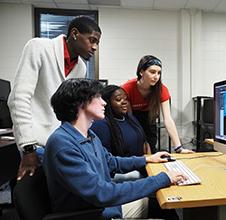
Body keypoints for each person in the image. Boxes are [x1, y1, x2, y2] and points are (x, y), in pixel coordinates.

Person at [43, 78, 186, 219]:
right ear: (81, 103)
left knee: (165, 206)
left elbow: (111, 162)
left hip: (105, 208)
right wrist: (162, 179)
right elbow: (102, 193)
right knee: (165, 208)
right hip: (93, 214)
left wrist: (148, 158)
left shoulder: (88, 135)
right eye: (98, 97)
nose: (104, 102)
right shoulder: (63, 145)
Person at [8, 16, 101, 180]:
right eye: (91, 40)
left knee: (61, 194)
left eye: (97, 43)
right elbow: (18, 98)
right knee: (40, 193)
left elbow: (69, 109)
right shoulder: (39, 47)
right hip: (34, 141)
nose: (94, 47)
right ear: (74, 34)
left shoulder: (80, 67)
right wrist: (28, 148)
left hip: (58, 142)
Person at [122, 55, 194, 154]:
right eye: (152, 72)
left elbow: (168, 119)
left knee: (151, 149)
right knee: (137, 149)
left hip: (150, 118)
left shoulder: (161, 89)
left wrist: (179, 148)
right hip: (132, 118)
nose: (156, 76)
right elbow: (129, 117)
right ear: (141, 72)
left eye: (159, 73)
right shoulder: (127, 88)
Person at [91, 85, 150, 157]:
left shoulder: (130, 119)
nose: (124, 102)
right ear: (107, 103)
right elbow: (106, 159)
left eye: (126, 99)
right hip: (121, 167)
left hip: (142, 164)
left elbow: (144, 143)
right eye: (118, 99)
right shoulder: (101, 125)